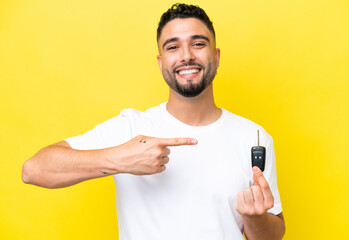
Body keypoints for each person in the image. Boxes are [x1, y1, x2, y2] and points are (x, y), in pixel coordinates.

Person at [22, 3, 285, 240]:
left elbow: (272, 236)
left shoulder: (254, 137)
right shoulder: (130, 128)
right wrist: (119, 159)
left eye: (198, 44)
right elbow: (34, 169)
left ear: (216, 56)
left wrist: (255, 217)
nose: (186, 56)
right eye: (173, 47)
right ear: (161, 63)